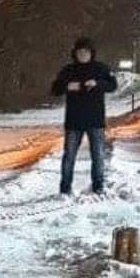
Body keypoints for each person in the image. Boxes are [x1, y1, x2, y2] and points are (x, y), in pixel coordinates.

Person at [50, 37, 117, 195]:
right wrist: (67, 86)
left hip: (95, 119)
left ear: (91, 53)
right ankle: (65, 189)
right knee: (69, 156)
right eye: (80, 52)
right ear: (75, 53)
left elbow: (113, 85)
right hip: (74, 120)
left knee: (98, 155)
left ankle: (98, 187)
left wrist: (97, 84)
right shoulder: (68, 70)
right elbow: (54, 89)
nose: (83, 55)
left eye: (86, 52)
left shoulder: (101, 68)